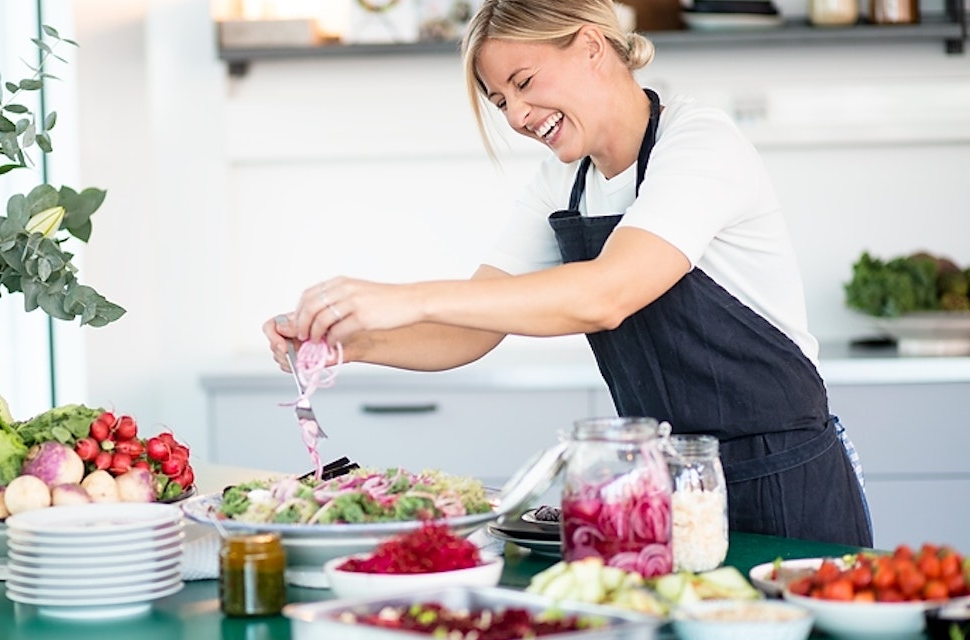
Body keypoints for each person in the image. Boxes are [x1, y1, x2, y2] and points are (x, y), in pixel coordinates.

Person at [262, 0, 873, 547]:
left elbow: (607, 294)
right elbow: (470, 326)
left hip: (781, 481)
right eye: (501, 101)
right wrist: (340, 345)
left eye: (523, 84)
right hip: (669, 489)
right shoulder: (564, 181)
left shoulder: (701, 143)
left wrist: (405, 298)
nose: (518, 115)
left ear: (589, 45)